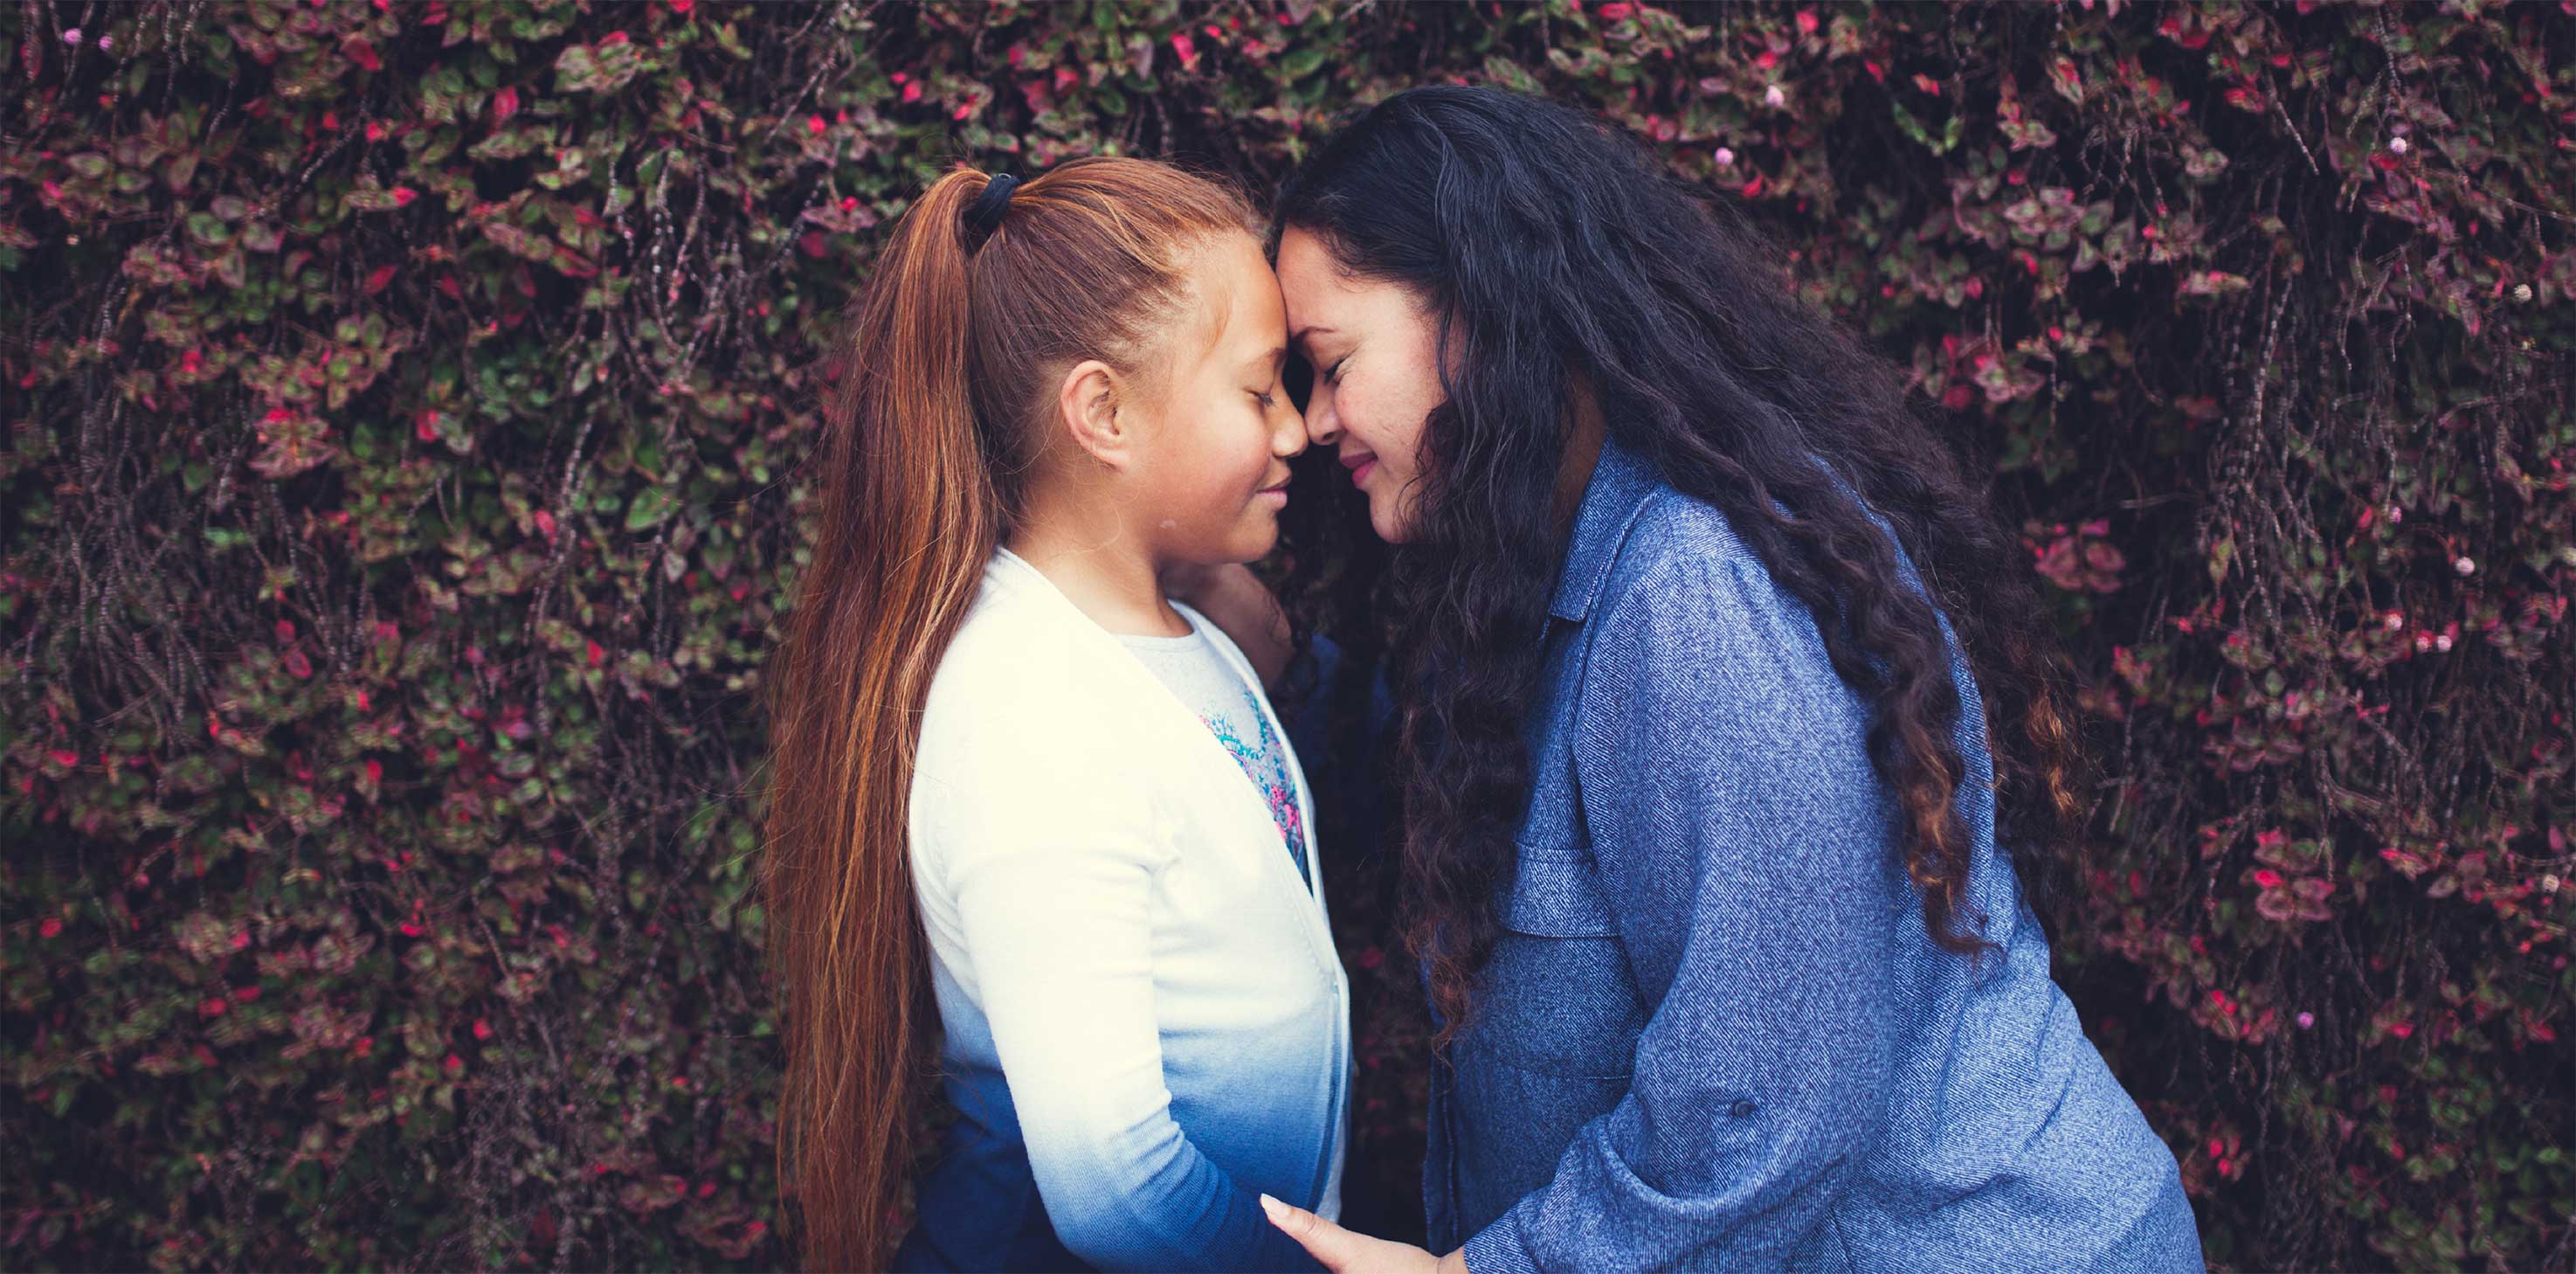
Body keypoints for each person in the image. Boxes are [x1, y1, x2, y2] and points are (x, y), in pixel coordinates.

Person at [1252, 87, 2207, 1273]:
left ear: (1482, 312)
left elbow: (1766, 1102)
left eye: (1330, 363)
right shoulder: (1547, 582)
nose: (1311, 421)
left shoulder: (1698, 593)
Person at [760, 157, 1348, 1273]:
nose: (1295, 433)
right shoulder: (1030, 712)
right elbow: (1115, 1186)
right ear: (1104, 411)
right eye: (1258, 390)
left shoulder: (1176, 639)